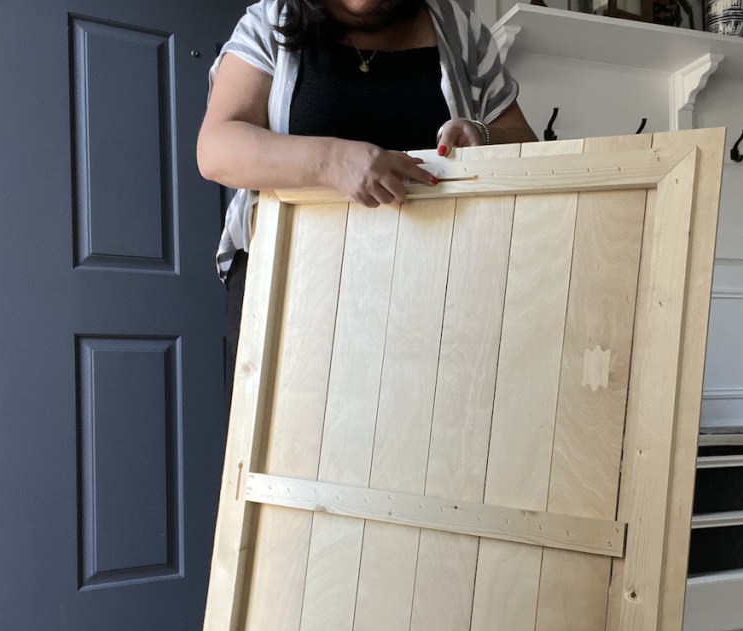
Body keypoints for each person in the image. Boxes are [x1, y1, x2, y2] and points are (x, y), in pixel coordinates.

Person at [199, 0, 535, 404]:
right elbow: (216, 148)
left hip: (434, 298)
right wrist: (332, 162)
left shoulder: (460, 32)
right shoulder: (271, 19)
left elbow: (524, 143)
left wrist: (481, 133)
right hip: (290, 294)